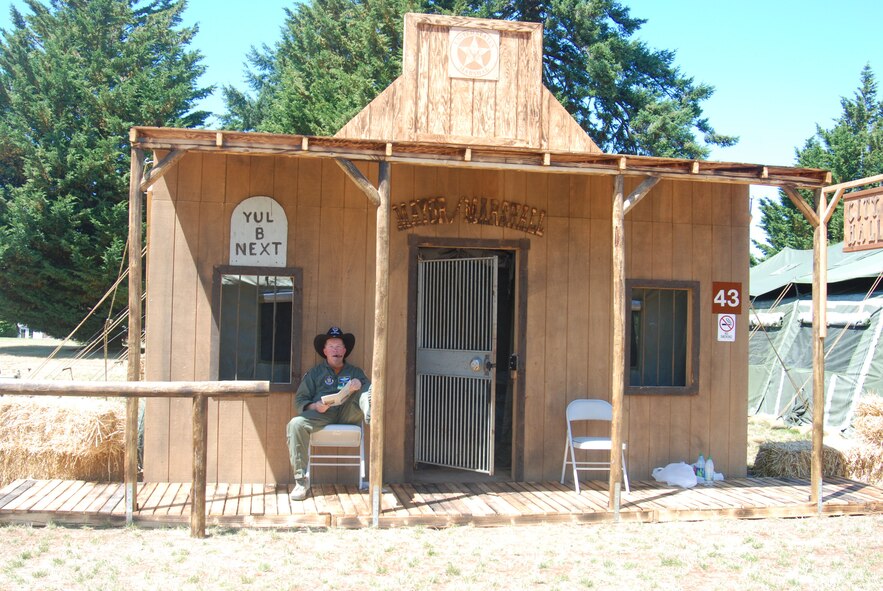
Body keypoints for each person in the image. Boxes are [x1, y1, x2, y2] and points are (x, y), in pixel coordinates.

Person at [286, 326, 371, 500]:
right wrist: (316, 406)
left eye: (339, 347)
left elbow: (368, 391)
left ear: (345, 351)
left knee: (366, 387)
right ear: (324, 351)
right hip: (322, 415)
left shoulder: (355, 371)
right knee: (295, 424)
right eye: (332, 346)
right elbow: (300, 401)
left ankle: (371, 415)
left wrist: (358, 385)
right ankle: (301, 483)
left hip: (350, 413)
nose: (336, 350)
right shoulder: (314, 373)